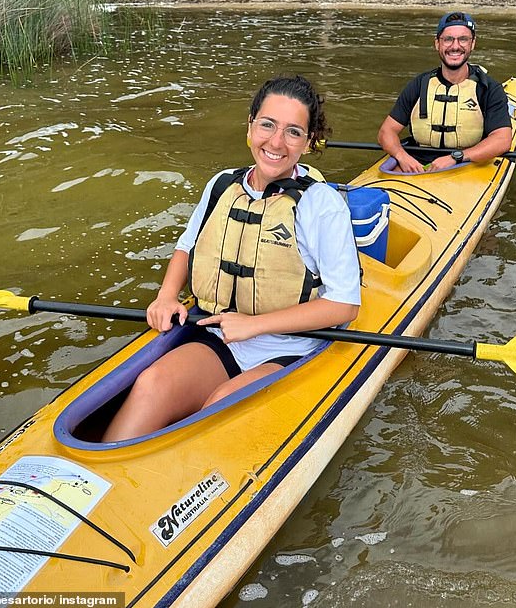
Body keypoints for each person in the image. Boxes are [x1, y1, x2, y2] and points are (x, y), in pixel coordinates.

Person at [103, 75, 361, 442]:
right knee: (151, 383)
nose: (276, 142)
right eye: (267, 125)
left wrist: (254, 325)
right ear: (250, 125)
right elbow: (186, 246)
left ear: (308, 142)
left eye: (293, 132)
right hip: (223, 337)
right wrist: (166, 296)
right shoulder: (223, 184)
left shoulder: (321, 204)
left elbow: (344, 305)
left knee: (220, 407)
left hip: (293, 348)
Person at [377, 12, 512, 173]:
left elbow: (502, 140)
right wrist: (402, 156)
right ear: (437, 44)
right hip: (418, 162)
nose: (455, 46)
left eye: (463, 39)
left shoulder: (489, 89)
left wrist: (455, 157)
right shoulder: (419, 84)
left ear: (472, 43)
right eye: (448, 39)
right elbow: (386, 132)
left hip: (468, 162)